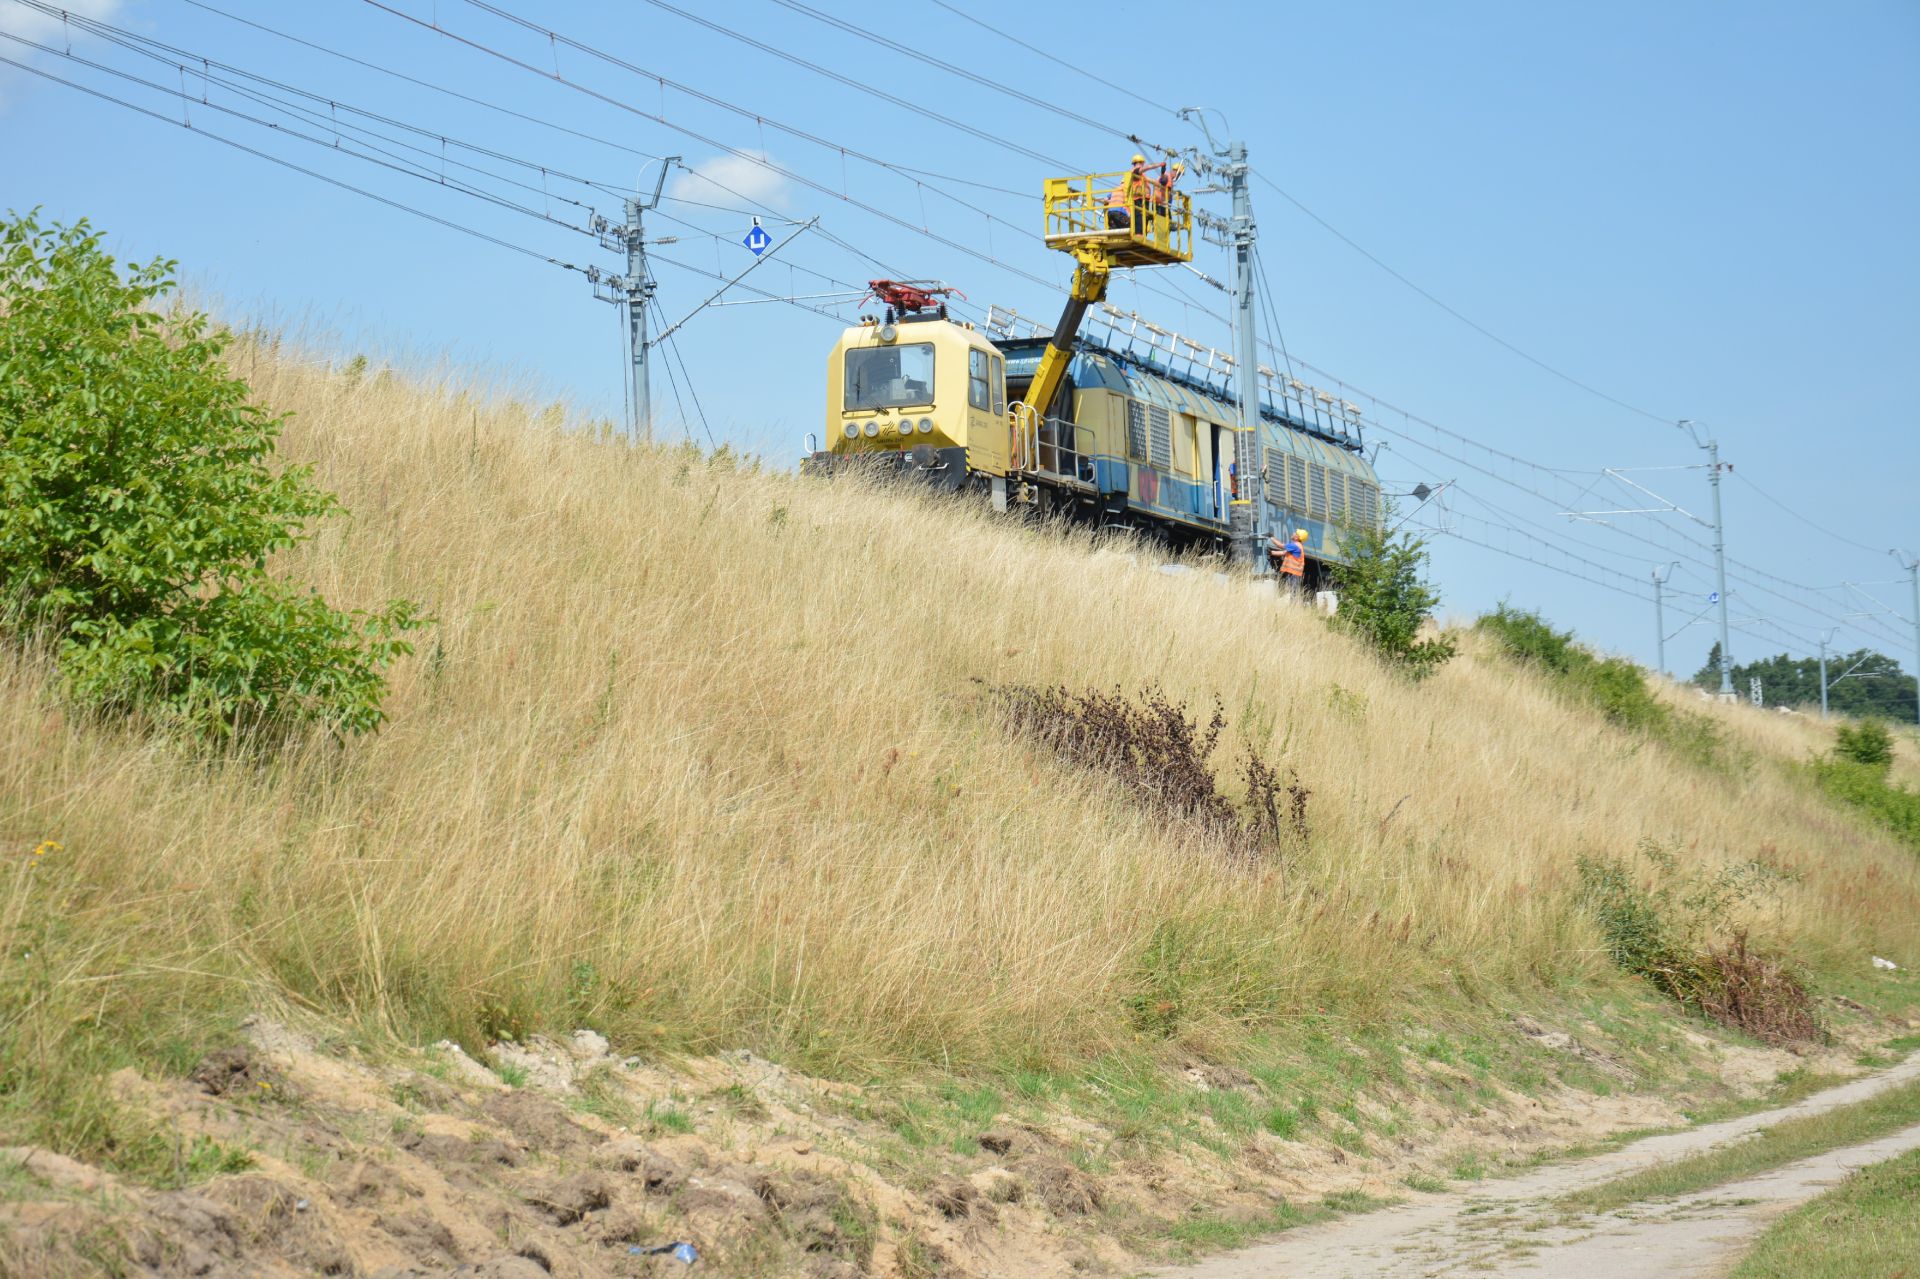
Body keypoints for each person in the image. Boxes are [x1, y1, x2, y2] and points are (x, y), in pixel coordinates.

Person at [1269, 528, 1307, 599]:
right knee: (1293, 591)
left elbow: (1281, 546)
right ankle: (1292, 607)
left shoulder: (1295, 546)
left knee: (1293, 593)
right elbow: (1284, 552)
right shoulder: (1297, 546)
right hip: (1294, 573)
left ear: (1297, 537)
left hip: (1294, 573)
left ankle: (1293, 607)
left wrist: (1271, 537)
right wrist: (1271, 553)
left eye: (1295, 533)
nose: (1293, 533)